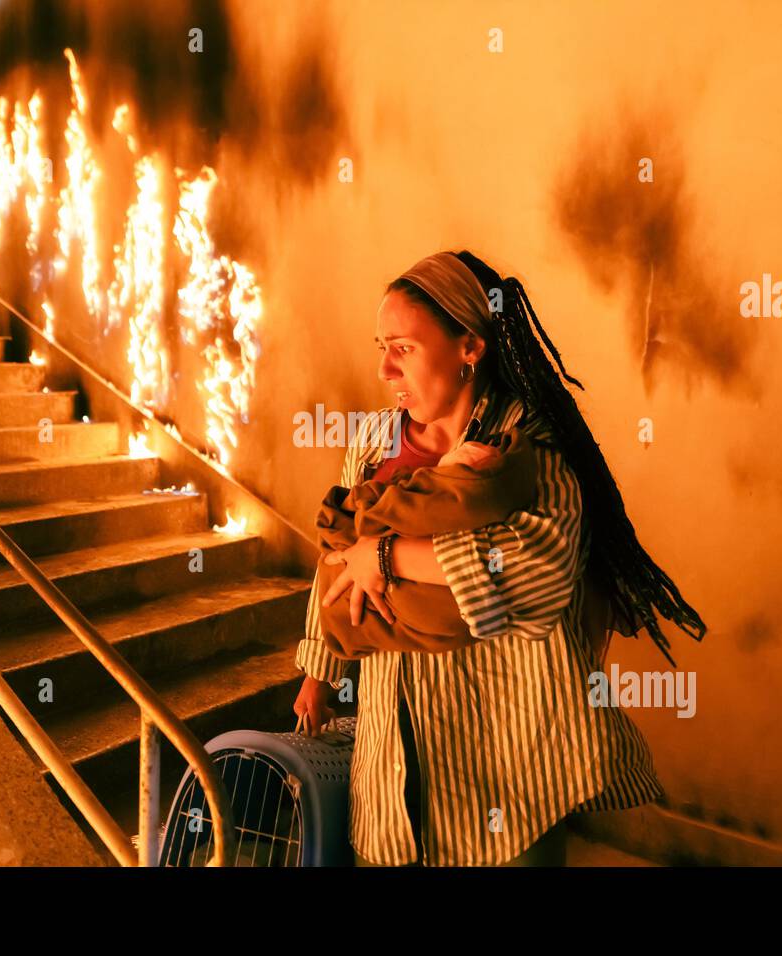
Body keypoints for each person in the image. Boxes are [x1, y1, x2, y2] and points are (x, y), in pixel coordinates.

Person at [292, 250, 708, 867]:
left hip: (510, 754)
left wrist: (384, 554)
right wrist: (318, 673)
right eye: (381, 346)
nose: (383, 367)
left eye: (403, 347)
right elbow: (335, 557)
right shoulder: (373, 443)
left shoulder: (527, 446)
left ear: (470, 346)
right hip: (394, 740)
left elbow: (535, 576)